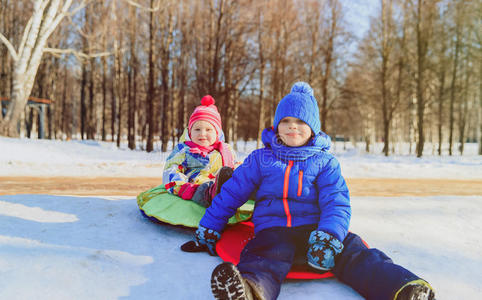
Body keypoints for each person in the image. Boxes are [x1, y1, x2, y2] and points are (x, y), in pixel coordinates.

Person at [189, 82, 435, 300]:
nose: (292, 127)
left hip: (317, 232)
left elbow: (336, 203)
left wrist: (329, 236)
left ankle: (403, 289)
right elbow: (232, 194)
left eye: (300, 122)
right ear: (276, 126)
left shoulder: (325, 162)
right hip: (275, 230)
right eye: (285, 121)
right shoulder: (261, 159)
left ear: (313, 127)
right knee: (262, 257)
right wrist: (209, 227)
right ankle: (249, 290)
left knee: (354, 252)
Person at [162, 95, 235, 208]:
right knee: (203, 191)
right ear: (190, 132)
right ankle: (210, 195)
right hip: (195, 188)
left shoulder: (225, 150)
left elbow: (235, 166)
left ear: (217, 133)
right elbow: (171, 169)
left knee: (242, 179)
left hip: (223, 186)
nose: (202, 133)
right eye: (197, 129)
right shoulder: (184, 150)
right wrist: (183, 187)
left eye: (208, 130)